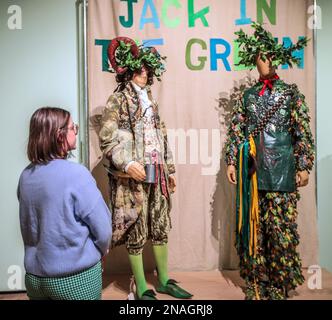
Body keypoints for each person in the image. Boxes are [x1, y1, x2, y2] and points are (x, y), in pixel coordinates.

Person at [224, 22, 315, 300]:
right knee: (255, 229)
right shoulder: (247, 97)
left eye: (270, 57)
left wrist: (304, 165)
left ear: (277, 60)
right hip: (253, 172)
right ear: (255, 62)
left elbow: (302, 132)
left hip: (283, 170)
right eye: (261, 58)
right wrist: (231, 161)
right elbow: (237, 130)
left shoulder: (291, 94)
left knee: (280, 229)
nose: (266, 62)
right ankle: (255, 280)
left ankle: (279, 282)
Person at [99, 37, 192, 300]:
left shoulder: (150, 100)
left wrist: (169, 169)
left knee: (160, 224)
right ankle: (141, 285)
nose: (144, 73)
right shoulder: (117, 100)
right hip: (132, 174)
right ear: (128, 69)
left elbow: (160, 134)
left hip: (157, 169)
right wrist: (127, 163)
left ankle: (163, 280)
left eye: (147, 69)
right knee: (136, 227)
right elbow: (107, 138)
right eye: (139, 68)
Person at [18, 107, 112, 300]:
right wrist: (103, 249)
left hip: (35, 279)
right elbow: (103, 228)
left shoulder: (25, 176)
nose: (75, 131)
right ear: (59, 136)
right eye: (72, 127)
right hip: (75, 278)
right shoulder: (76, 174)